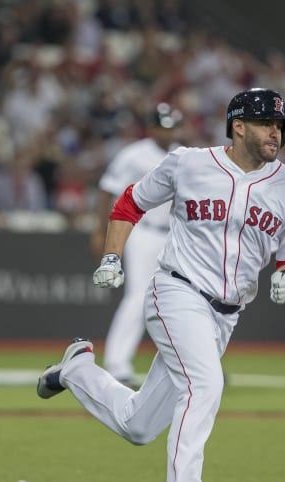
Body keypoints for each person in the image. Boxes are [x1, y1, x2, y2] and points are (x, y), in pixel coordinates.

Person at [36, 88, 285, 482]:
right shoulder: (190, 163)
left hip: (225, 316)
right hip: (176, 291)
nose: (277, 132)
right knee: (206, 385)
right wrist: (113, 256)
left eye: (281, 126)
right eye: (267, 123)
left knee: (139, 425)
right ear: (238, 126)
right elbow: (129, 202)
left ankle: (76, 370)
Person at [90, 103, 182, 387]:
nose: (166, 132)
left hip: (174, 235)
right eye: (162, 126)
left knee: (181, 299)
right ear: (151, 127)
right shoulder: (133, 155)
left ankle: (189, 367)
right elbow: (107, 190)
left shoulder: (184, 156)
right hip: (141, 231)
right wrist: (100, 231)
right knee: (138, 296)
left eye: (171, 127)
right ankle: (117, 364)